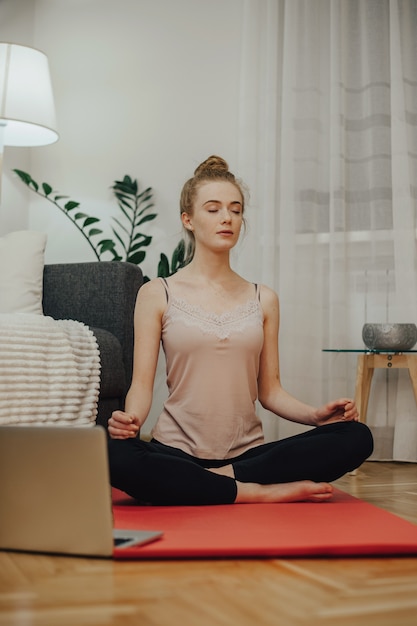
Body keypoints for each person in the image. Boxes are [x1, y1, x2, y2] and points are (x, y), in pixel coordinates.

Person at [108, 155, 373, 506]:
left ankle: (210, 484)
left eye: (235, 209)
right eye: (213, 209)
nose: (227, 218)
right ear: (188, 219)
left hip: (248, 458)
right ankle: (254, 493)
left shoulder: (263, 298)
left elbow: (270, 391)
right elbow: (141, 386)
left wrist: (315, 415)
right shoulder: (157, 292)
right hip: (174, 452)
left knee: (357, 437)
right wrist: (131, 421)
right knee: (115, 455)